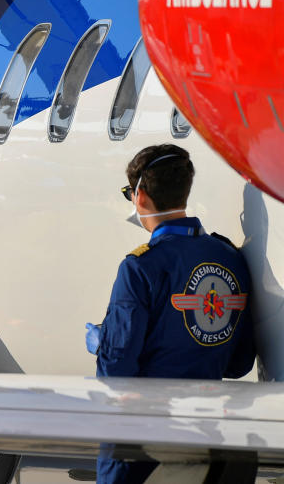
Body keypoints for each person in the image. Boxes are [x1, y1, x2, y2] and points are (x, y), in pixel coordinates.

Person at [86, 144, 256, 484]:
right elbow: (239, 364)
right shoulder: (230, 257)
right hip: (208, 434)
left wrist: (101, 340)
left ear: (140, 196)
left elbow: (117, 368)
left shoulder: (141, 266)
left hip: (143, 440)